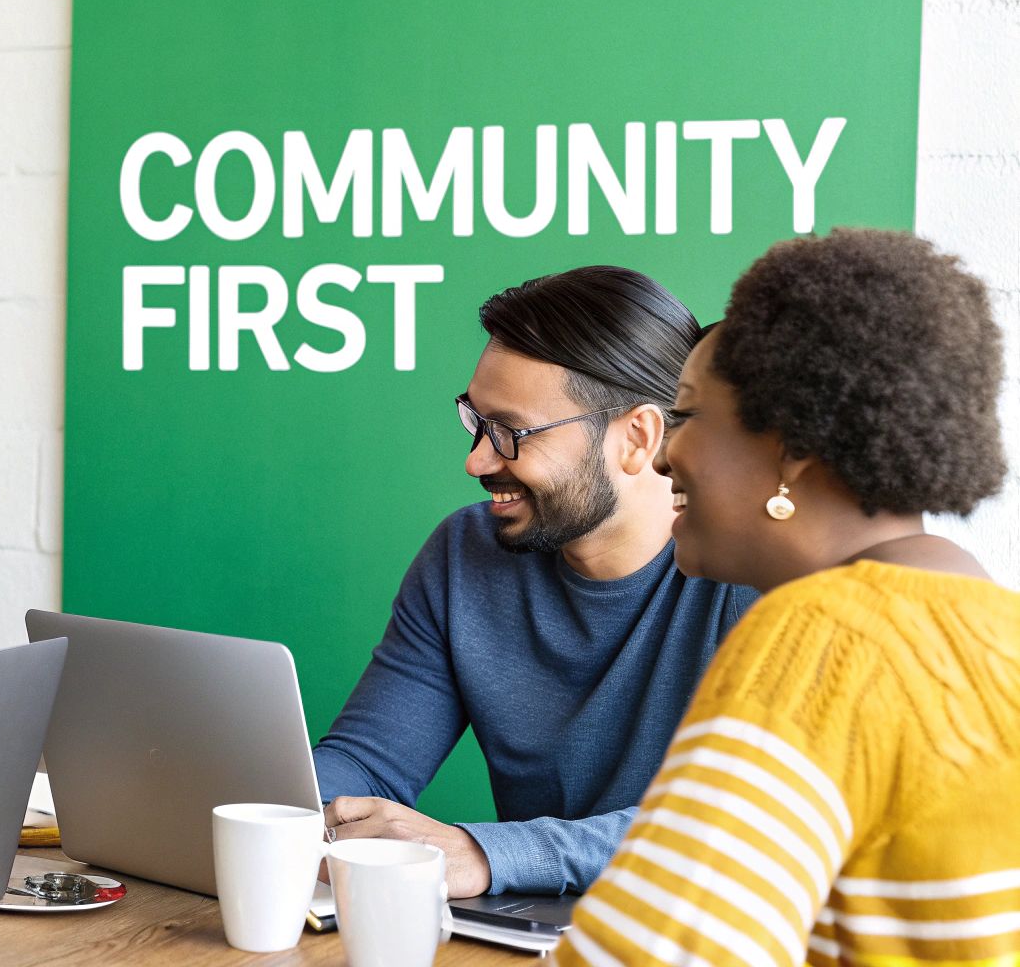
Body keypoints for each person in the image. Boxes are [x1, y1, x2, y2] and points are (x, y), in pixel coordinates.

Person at [557, 229, 1018, 967]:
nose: (667, 453)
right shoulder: (1002, 633)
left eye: (686, 414)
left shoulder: (825, 639)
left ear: (794, 447)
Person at [316, 266, 758, 897]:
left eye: (511, 433)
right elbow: (369, 763)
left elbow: (741, 828)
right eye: (476, 420)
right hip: (524, 935)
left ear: (638, 438)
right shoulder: (465, 553)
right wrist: (285, 815)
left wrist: (487, 853)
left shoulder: (754, 577)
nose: (477, 460)